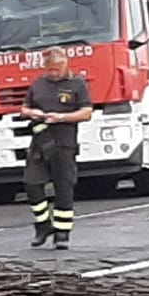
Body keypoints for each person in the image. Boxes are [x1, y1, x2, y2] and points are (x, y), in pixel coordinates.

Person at [19, 47, 92, 250]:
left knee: (64, 187)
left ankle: (62, 232)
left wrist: (63, 117)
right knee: (31, 183)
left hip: (64, 142)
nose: (53, 73)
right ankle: (43, 225)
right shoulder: (39, 84)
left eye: (56, 69)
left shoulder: (77, 84)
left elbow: (87, 112)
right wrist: (32, 113)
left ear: (65, 65)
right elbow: (24, 108)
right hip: (40, 141)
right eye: (49, 69)